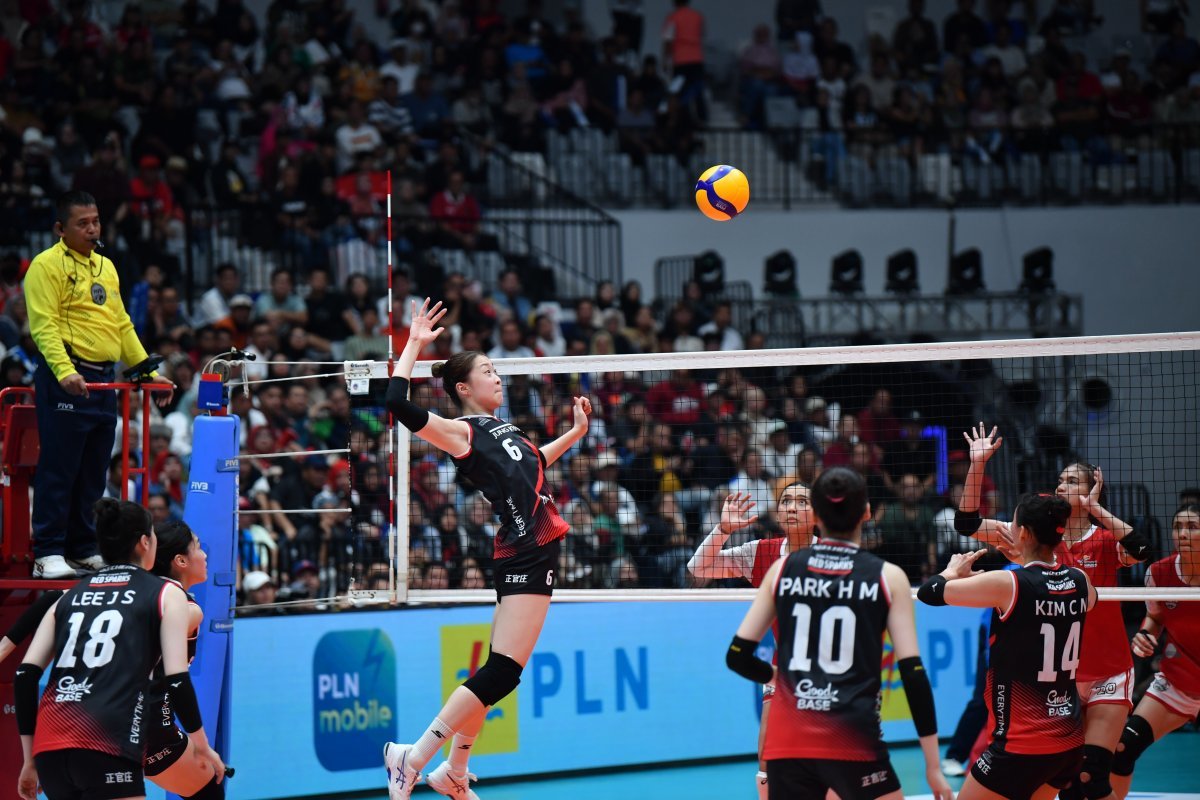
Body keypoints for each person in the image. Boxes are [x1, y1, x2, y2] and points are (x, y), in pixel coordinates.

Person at [383, 299, 591, 800]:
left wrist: (578, 433)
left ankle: (455, 769)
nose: (497, 377)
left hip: (526, 550)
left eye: (496, 370)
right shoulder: (461, 432)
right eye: (488, 371)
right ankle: (411, 757)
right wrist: (413, 343)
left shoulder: (508, 429)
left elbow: (535, 461)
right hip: (527, 551)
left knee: (500, 668)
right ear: (463, 388)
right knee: (503, 672)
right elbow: (397, 403)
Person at [726, 467, 953, 800]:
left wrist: (779, 675)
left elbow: (737, 656)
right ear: (867, 513)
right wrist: (932, 765)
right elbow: (913, 674)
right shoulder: (888, 577)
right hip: (853, 736)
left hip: (791, 740)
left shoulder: (783, 569)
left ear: (816, 514)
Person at [955, 423, 1148, 800]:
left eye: (1073, 482)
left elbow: (1141, 550)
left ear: (1093, 489)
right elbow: (967, 524)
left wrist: (1095, 509)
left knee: (1090, 779)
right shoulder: (1036, 539)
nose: (1062, 486)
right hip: (1058, 681)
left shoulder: (1106, 540)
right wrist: (977, 465)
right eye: (1061, 481)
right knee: (1059, 780)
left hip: (1109, 668)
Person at [14, 498, 224, 800]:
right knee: (208, 788)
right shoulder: (164, 594)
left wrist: (29, 759)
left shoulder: (70, 594)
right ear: (144, 542)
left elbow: (24, 675)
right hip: (108, 739)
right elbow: (177, 680)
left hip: (50, 748)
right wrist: (202, 746)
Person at [24, 190, 174, 579]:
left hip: (105, 381)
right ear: (60, 228)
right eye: (82, 223)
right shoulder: (45, 265)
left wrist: (145, 372)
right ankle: (47, 553)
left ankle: (82, 547)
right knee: (59, 469)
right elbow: (44, 325)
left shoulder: (106, 267)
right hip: (67, 379)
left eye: (95, 221)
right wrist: (62, 370)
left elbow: (121, 324)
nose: (92, 229)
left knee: (92, 472)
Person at [918, 494, 1096, 800]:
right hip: (1067, 742)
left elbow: (929, 593)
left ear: (1023, 533)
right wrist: (1029, 559)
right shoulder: (1081, 580)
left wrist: (951, 572)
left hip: (1021, 745)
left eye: (1012, 523)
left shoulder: (1009, 583)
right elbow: (1081, 598)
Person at [688, 484, 817, 800]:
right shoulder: (761, 552)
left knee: (830, 759)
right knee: (767, 753)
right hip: (784, 667)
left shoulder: (838, 554)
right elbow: (697, 569)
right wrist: (723, 529)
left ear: (817, 514)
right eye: (786, 501)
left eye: (802, 501)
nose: (791, 507)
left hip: (833, 670)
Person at [1111, 503, 1200, 799]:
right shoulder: (1159, 573)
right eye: (1178, 527)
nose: (1183, 534)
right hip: (1177, 685)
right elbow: (1157, 617)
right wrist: (1145, 635)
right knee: (1122, 750)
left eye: (1192, 527)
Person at [145, 519, 227, 799]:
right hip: (148, 723)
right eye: (198, 548)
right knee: (210, 789)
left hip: (105, 717)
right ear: (180, 560)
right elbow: (177, 681)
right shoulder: (187, 609)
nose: (204, 555)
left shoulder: (140, 593)